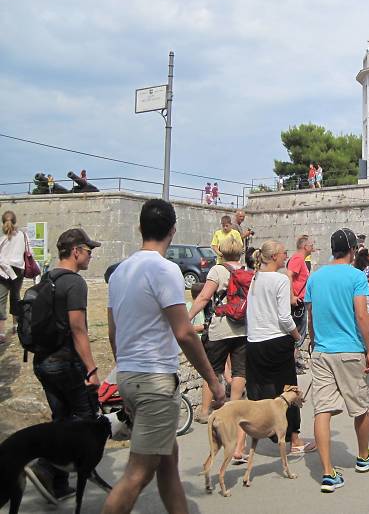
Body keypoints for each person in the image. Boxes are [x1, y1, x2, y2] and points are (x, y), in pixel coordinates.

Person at [103, 199, 225, 514]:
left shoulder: (119, 273)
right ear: (173, 230)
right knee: (137, 474)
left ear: (140, 228)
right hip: (155, 381)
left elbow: (113, 333)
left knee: (168, 463)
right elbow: (184, 332)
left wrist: (123, 377)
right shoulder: (165, 270)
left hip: (130, 376)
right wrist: (213, 379)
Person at [305, 228, 369, 493]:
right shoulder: (356, 276)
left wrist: (314, 341)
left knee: (322, 410)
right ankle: (363, 456)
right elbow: (362, 315)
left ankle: (328, 472)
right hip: (350, 350)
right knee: (361, 405)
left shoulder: (315, 278)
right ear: (352, 250)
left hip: (323, 351)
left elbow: (311, 314)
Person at [27, 228, 101, 501]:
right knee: (85, 420)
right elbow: (78, 328)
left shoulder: (48, 278)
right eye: (89, 251)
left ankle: (57, 484)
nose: (91, 256)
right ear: (76, 251)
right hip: (66, 363)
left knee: (61, 419)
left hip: (42, 362)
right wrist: (92, 369)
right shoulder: (74, 283)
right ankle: (45, 464)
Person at [246, 240, 314, 455]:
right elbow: (284, 317)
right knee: (288, 390)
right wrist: (297, 336)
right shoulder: (280, 280)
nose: (286, 256)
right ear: (275, 256)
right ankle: (294, 439)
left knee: (259, 389)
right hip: (276, 340)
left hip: (255, 341)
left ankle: (257, 432)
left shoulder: (255, 278)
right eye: (284, 253)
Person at [188, 235, 248, 429]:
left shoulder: (217, 270)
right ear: (240, 251)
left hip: (220, 326)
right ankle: (234, 408)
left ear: (221, 251)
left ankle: (205, 411)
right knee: (239, 370)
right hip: (242, 326)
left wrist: (188, 317)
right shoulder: (247, 271)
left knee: (213, 370)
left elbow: (204, 297)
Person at [288, 235, 315, 370]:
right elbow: (289, 275)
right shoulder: (298, 259)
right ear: (305, 246)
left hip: (300, 300)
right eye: (311, 244)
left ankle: (296, 360)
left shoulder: (300, 259)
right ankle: (292, 364)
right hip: (298, 301)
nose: (313, 246)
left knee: (300, 332)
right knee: (297, 333)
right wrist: (292, 296)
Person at [0, 211, 26, 344]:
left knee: (1, 300)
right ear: (15, 221)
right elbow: (28, 251)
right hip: (18, 270)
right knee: (15, 297)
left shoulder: (2, 237)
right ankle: (16, 326)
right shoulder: (22, 235)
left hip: (3, 271)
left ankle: (1, 332)